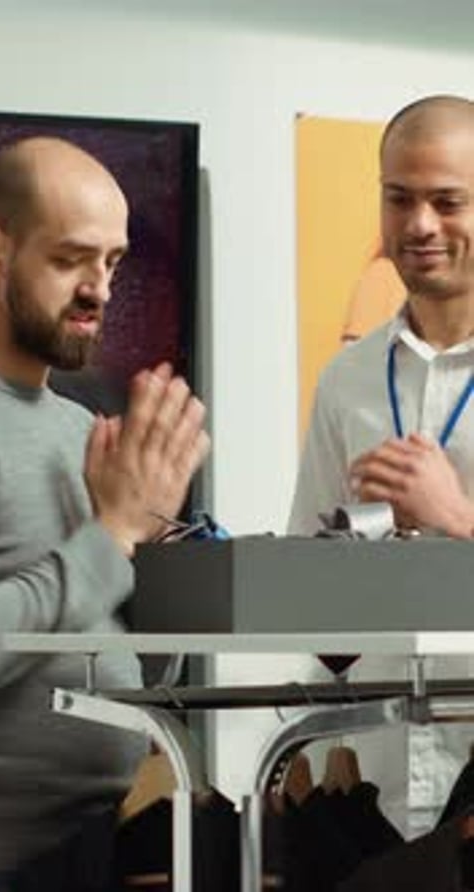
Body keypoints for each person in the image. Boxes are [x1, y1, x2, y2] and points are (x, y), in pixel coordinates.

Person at [0, 136, 210, 885]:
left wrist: (161, 550)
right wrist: (112, 536)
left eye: (112, 262)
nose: (101, 289)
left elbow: (132, 656)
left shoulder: (83, 429)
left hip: (112, 836)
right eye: (72, 258)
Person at [288, 94, 474, 836]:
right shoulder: (349, 378)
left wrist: (456, 517)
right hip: (373, 774)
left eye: (447, 200)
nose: (419, 224)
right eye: (399, 198)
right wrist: (302, 732)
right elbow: (306, 571)